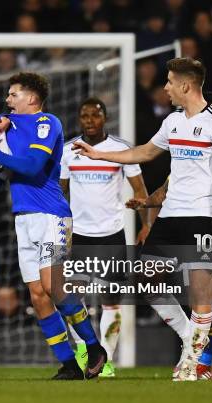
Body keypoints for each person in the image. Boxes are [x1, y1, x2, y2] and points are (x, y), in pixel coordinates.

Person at [74, 57, 212, 381]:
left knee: (200, 294)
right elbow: (145, 152)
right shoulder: (173, 122)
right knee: (147, 280)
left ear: (185, 85)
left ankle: (191, 364)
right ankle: (187, 344)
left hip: (202, 215)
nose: (165, 87)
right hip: (171, 213)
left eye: (169, 81)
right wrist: (100, 154)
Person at [0, 72, 107, 380]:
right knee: (37, 296)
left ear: (31, 98)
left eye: (13, 94)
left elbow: (32, 166)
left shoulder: (47, 123)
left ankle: (94, 347)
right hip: (23, 219)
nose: (7, 100)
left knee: (53, 286)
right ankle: (68, 364)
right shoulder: (4, 127)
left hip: (52, 216)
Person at [128, 141, 212, 380]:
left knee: (205, 294)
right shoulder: (188, 150)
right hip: (191, 229)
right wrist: (146, 205)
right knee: (173, 287)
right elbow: (168, 190)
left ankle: (201, 361)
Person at [60, 96, 150, 377]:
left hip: (111, 234)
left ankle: (106, 360)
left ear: (105, 118)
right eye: (84, 116)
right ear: (79, 120)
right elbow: (60, 193)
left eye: (95, 115)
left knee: (111, 300)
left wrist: (145, 223)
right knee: (73, 299)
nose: (89, 121)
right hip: (79, 236)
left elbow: (141, 191)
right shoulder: (67, 151)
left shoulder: (122, 150)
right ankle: (86, 353)